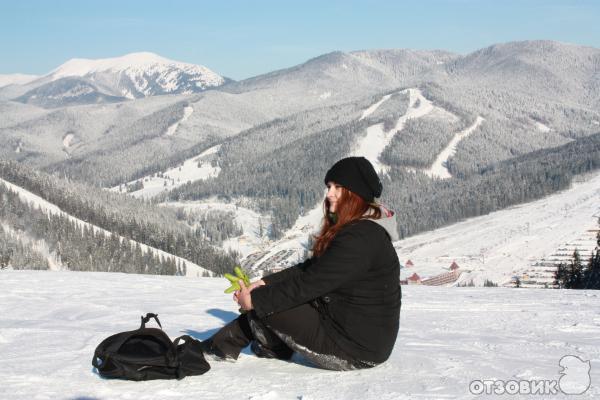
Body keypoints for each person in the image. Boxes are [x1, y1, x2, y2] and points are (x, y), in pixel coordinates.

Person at [201, 156, 401, 370]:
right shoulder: (361, 229)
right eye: (329, 186)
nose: (329, 193)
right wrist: (265, 283)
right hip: (356, 334)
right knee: (272, 298)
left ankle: (217, 350)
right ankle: (261, 346)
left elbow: (309, 285)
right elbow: (312, 269)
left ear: (356, 193)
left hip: (355, 349)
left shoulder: (360, 238)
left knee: (271, 304)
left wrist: (254, 301)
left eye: (338, 187)